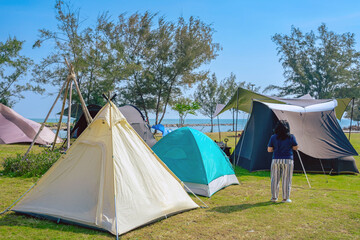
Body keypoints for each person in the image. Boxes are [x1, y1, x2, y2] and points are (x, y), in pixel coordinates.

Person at [267, 120, 298, 203]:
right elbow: (295, 147)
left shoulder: (273, 137)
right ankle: (285, 198)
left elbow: (269, 150)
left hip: (276, 159)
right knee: (286, 179)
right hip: (288, 160)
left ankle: (274, 197)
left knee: (274, 179)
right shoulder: (291, 137)